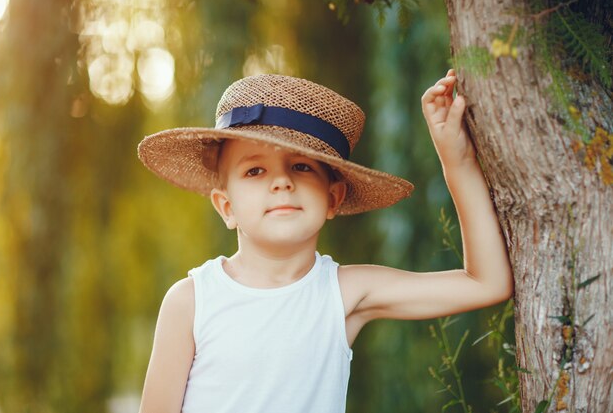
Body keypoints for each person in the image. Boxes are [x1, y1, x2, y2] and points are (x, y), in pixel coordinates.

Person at [136, 71, 514, 413]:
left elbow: (487, 282)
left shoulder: (343, 294)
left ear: (333, 198)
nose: (281, 181)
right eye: (254, 170)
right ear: (226, 206)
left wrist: (457, 160)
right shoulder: (192, 301)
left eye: (302, 166)